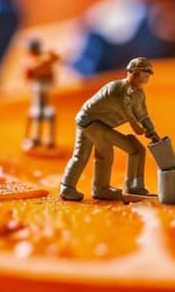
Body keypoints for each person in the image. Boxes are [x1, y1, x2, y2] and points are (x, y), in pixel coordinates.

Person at [59, 57, 159, 201]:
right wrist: (138, 128)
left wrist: (152, 131)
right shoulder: (117, 89)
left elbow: (143, 115)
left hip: (98, 123)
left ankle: (98, 188)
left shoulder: (139, 94)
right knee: (132, 149)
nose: (143, 79)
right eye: (141, 75)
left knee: (100, 154)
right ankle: (129, 187)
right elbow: (129, 114)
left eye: (146, 76)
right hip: (90, 122)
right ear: (131, 73)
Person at [23, 38, 60, 148]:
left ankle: (49, 140)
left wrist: (48, 58)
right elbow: (31, 71)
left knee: (47, 115)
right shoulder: (32, 61)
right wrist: (44, 61)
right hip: (37, 91)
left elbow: (56, 59)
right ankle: (35, 139)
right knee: (37, 114)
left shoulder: (44, 58)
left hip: (44, 91)